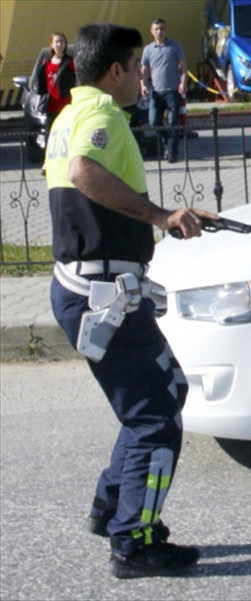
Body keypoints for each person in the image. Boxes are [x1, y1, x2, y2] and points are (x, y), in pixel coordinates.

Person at [45, 22, 217, 579]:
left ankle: (110, 509)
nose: (143, 77)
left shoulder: (69, 114)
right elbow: (84, 173)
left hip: (92, 288)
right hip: (103, 296)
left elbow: (89, 189)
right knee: (156, 419)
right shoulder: (102, 118)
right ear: (115, 71)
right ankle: (134, 542)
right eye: (137, 66)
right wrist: (161, 216)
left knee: (164, 393)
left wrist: (172, 218)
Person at [140, 18, 186, 163]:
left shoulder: (174, 46)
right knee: (154, 122)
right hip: (156, 92)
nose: (159, 31)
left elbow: (184, 66)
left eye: (162, 29)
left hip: (172, 91)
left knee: (173, 123)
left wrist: (183, 83)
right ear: (151, 31)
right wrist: (143, 85)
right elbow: (144, 70)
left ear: (165, 30)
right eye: (157, 29)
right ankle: (168, 144)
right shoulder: (148, 49)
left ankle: (172, 154)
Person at [32, 32, 76, 171]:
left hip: (66, 105)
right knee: (51, 135)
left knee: (68, 134)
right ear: (51, 44)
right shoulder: (46, 64)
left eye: (62, 41)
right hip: (51, 105)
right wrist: (39, 98)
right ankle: (48, 162)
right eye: (56, 42)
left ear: (65, 44)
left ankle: (69, 162)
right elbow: (41, 84)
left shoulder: (70, 62)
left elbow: (77, 81)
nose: (59, 44)